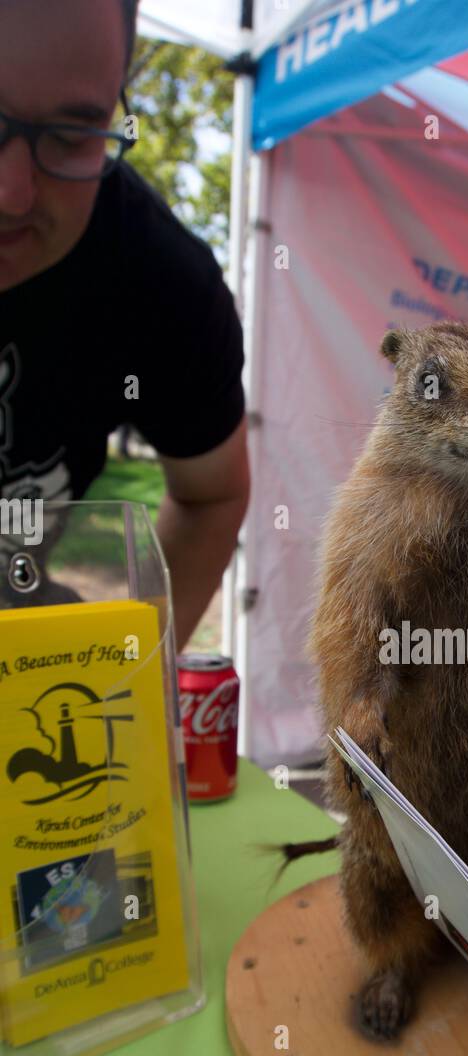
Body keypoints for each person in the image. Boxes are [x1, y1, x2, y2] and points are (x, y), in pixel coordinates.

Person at [0, 0, 249, 648]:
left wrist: (133, 683)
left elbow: (210, 497)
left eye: (70, 135)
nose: (12, 194)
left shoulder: (162, 282)